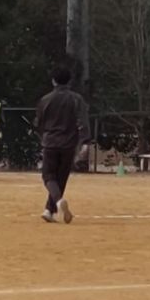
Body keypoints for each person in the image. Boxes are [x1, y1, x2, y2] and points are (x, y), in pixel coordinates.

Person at [35, 67, 90, 224]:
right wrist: (85, 142)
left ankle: (58, 202)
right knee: (61, 177)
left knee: (48, 176)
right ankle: (48, 210)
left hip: (50, 142)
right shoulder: (76, 99)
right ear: (69, 81)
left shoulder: (45, 99)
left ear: (53, 81)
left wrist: (41, 135)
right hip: (69, 144)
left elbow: (39, 122)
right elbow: (83, 121)